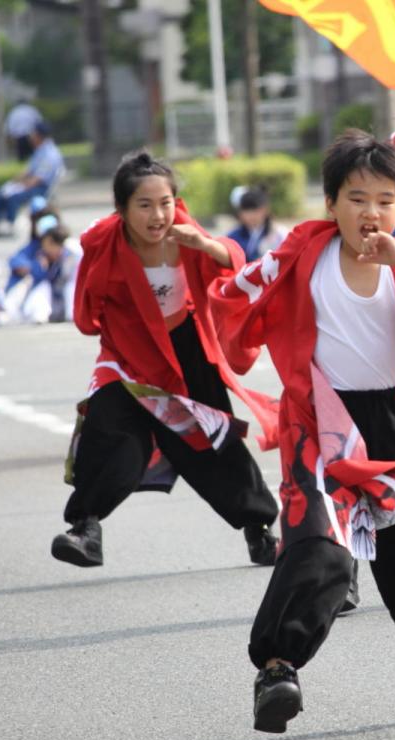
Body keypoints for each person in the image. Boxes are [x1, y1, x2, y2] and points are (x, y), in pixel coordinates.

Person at [210, 130, 395, 735]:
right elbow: (231, 299)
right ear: (330, 204)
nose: (370, 213)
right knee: (318, 547)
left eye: (384, 200)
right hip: (320, 423)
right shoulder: (302, 251)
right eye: (355, 198)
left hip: (394, 422)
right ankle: (277, 669)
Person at [54, 149, 280, 570]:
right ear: (121, 209)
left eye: (165, 203)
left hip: (188, 351)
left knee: (214, 443)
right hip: (129, 357)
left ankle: (260, 532)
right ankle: (85, 529)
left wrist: (204, 244)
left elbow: (234, 263)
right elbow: (87, 317)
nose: (158, 215)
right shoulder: (102, 243)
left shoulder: (186, 233)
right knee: (111, 437)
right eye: (144, 205)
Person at [0, 122, 64, 237]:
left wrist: (20, 187)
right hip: (28, 184)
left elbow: (39, 178)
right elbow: (28, 171)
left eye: (33, 134)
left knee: (13, 197)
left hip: (40, 187)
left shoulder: (50, 154)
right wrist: (12, 183)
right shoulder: (39, 151)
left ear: (39, 136)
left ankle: (10, 225)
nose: (31, 137)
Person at [8, 220, 80, 324]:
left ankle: (72, 314)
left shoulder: (69, 253)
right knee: (43, 287)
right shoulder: (38, 253)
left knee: (70, 286)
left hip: (63, 297)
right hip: (43, 298)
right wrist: (39, 266)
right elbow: (16, 261)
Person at [227, 186, 289, 262]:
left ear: (265, 210)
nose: (251, 215)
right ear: (240, 213)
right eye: (247, 211)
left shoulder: (279, 234)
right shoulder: (233, 236)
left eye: (255, 210)